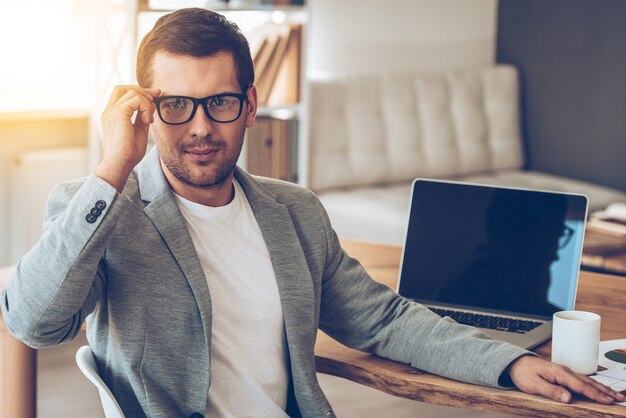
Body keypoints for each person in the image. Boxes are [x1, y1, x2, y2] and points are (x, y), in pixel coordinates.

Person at [1, 8, 623, 418]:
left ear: (249, 105)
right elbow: (33, 323)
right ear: (145, 110)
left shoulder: (293, 213)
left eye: (218, 103)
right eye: (175, 106)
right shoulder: (103, 209)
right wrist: (113, 165)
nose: (199, 129)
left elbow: (385, 320)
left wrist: (509, 362)